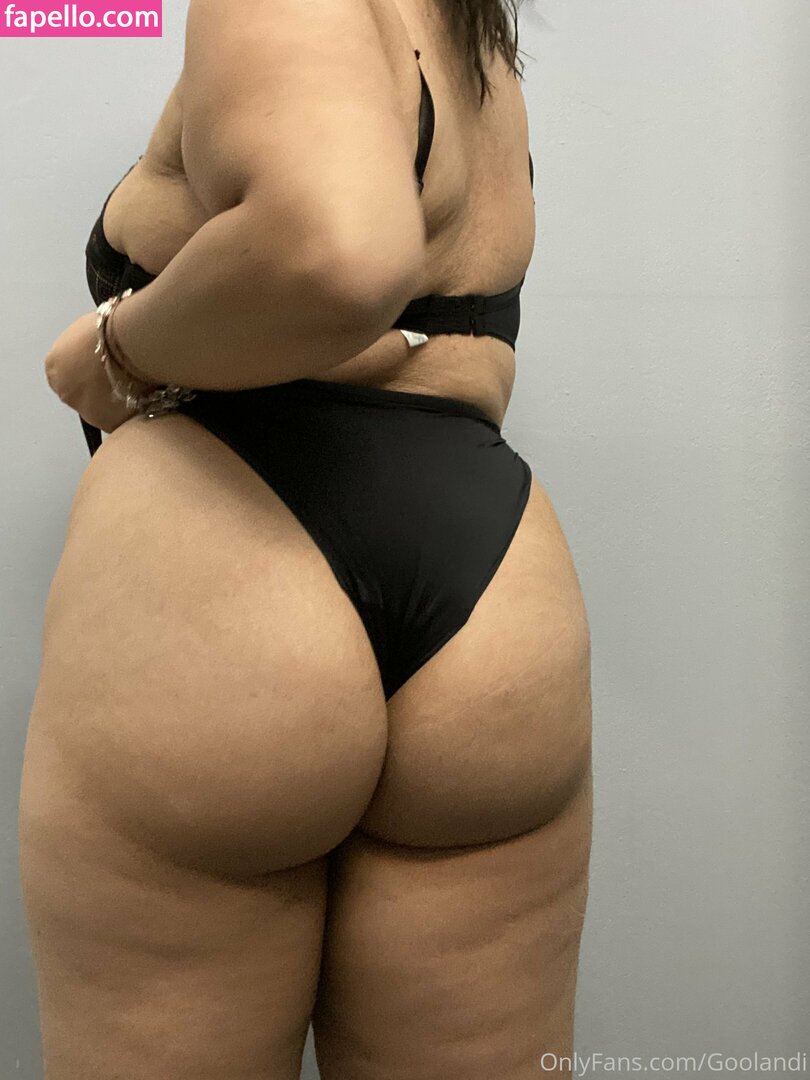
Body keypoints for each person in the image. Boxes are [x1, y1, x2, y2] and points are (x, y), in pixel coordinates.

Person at [19, 1, 594, 1077]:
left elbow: (332, 251)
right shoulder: (469, 38)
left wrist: (113, 356)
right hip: (491, 602)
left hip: (230, 569)